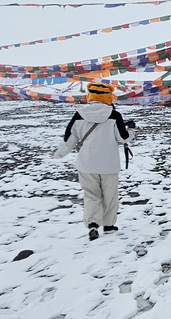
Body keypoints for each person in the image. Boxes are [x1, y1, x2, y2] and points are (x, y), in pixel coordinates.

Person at [51, 82, 135, 240]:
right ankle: (109, 225)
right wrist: (131, 130)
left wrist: (58, 154)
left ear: (89, 96)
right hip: (109, 164)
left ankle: (93, 224)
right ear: (108, 96)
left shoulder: (78, 114)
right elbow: (123, 138)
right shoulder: (114, 115)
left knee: (91, 195)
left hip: (87, 163)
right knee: (110, 195)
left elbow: (69, 139)